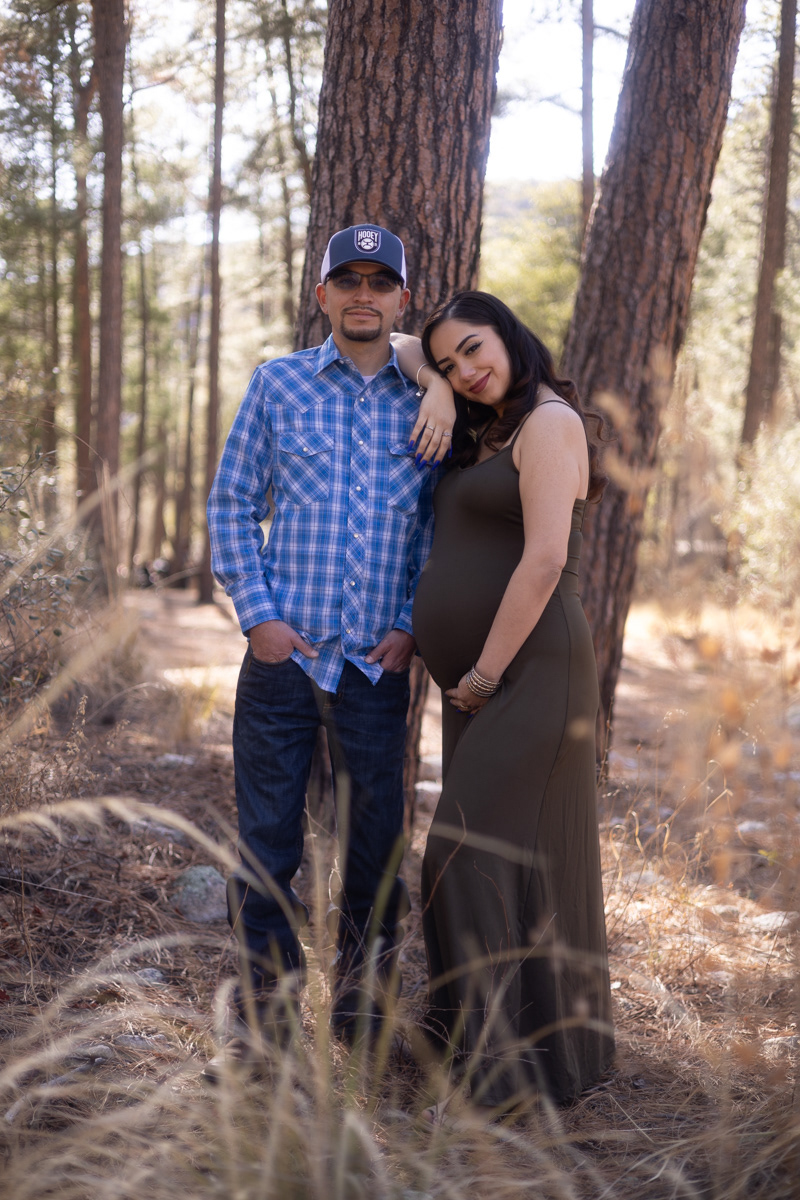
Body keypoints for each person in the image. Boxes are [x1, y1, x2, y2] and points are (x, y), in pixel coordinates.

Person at [205, 224, 453, 1068]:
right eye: (348, 280)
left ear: (401, 300)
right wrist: (258, 618)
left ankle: (363, 1021)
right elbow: (231, 504)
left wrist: (412, 625)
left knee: (375, 851)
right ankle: (265, 1031)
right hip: (283, 661)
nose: (363, 294)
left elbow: (436, 533)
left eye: (380, 282)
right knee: (267, 848)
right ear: (323, 295)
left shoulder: (427, 402)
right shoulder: (277, 385)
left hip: (374, 671)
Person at [408, 291, 615, 1119]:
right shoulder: (487, 424)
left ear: (508, 333)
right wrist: (431, 381)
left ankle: (498, 1072)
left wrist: (486, 675)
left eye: (473, 348)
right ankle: (522, 1053)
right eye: (450, 362)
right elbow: (400, 344)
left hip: (530, 672)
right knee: (514, 859)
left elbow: (544, 561)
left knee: (457, 854)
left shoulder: (550, 423)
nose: (464, 369)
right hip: (483, 684)